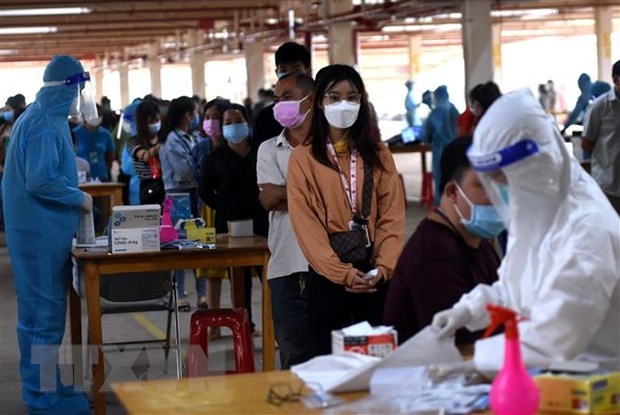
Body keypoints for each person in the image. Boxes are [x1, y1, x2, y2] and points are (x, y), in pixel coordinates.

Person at [432, 89, 620, 374]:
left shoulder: (588, 231)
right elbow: (517, 286)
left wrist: (474, 363)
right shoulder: (539, 208)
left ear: (535, 162)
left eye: (503, 177)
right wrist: (470, 308)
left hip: (598, 384)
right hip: (554, 381)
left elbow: (551, 339)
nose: (502, 190)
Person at [287, 64, 405, 356]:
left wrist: (383, 267)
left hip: (375, 274)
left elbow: (392, 216)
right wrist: (342, 274)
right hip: (329, 278)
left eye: (353, 97)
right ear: (319, 102)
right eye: (335, 97)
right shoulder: (303, 158)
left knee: (378, 363)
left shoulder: (378, 153)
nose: (345, 104)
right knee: (332, 366)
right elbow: (307, 226)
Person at [2, 55, 95, 414]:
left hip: (44, 233)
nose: (78, 99)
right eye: (77, 90)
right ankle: (42, 400)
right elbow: (39, 180)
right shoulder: (42, 123)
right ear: (66, 88)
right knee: (43, 318)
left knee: (45, 316)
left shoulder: (48, 119)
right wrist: (79, 198)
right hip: (38, 235)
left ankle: (49, 387)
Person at [384, 136, 500, 345]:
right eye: (484, 185)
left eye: (503, 185)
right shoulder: (433, 256)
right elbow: (463, 345)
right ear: (452, 192)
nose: (499, 197)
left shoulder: (476, 239)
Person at [257, 72, 315, 368]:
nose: (279, 105)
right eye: (276, 99)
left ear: (310, 100)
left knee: (331, 357)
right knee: (294, 359)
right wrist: (314, 190)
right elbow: (268, 199)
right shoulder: (269, 149)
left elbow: (339, 199)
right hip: (285, 267)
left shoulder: (329, 148)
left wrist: (286, 193)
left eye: (287, 98)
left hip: (328, 267)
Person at [199, 103, 268, 336]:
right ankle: (244, 327)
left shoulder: (260, 152)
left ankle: (275, 328)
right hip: (230, 227)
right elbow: (205, 191)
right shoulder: (215, 157)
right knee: (239, 281)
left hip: (262, 223)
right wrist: (222, 206)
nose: (233, 126)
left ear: (247, 123)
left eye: (237, 121)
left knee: (269, 278)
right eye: (227, 123)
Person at [159, 96, 207, 310]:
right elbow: (185, 170)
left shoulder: (193, 137)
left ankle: (203, 294)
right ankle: (178, 294)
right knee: (177, 247)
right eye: (195, 113)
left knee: (199, 244)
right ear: (188, 115)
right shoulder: (172, 141)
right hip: (177, 197)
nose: (197, 117)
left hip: (195, 194)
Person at [252, 42, 312, 148]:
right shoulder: (265, 118)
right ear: (277, 72)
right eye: (283, 70)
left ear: (307, 72)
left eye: (296, 70)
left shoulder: (322, 113)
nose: (289, 74)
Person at [581, 60, 620, 214]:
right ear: (616, 80)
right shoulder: (600, 107)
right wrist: (607, 159)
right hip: (607, 186)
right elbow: (586, 142)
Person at [421, 85, 459, 206]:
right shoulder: (454, 109)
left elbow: (427, 134)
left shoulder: (436, 112)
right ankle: (456, 204)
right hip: (455, 149)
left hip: (440, 150)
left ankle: (442, 205)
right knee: (454, 177)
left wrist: (427, 139)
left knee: (440, 178)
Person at [127, 100, 165, 205]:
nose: (156, 123)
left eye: (158, 119)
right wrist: (161, 146)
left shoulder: (163, 137)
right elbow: (144, 156)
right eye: (152, 121)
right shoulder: (133, 142)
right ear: (143, 122)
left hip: (165, 184)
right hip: (148, 187)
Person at [73, 104, 115, 181]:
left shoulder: (106, 134)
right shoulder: (76, 133)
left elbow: (111, 156)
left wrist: (107, 167)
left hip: (101, 175)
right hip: (82, 176)